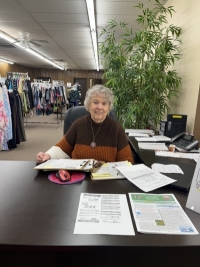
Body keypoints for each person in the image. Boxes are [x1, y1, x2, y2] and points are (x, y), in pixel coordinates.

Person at [36, 85, 134, 164]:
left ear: (108, 107)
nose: (100, 107)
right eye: (95, 102)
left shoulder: (116, 129)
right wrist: (47, 155)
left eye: (104, 103)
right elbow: (62, 149)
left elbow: (127, 161)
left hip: (106, 180)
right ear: (88, 104)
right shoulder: (78, 124)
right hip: (79, 178)